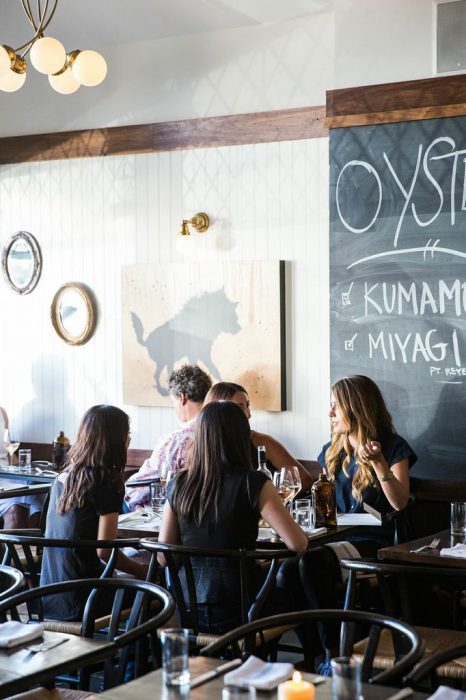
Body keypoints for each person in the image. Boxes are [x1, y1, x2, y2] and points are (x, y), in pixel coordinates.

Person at [287, 375, 417, 674]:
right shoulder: (332, 450)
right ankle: (318, 653)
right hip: (334, 539)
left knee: (309, 564)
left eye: (336, 406)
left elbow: (399, 503)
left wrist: (379, 462)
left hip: (375, 543)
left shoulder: (393, 447)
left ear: (355, 408)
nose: (330, 413)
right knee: (286, 571)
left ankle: (334, 656)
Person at [158, 400, 308, 633]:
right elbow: (298, 543)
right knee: (301, 594)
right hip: (243, 609)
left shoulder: (178, 483)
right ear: (241, 437)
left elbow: (163, 556)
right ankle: (312, 661)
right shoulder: (252, 482)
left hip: (187, 610)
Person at [41, 405, 148, 621]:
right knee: (156, 593)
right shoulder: (107, 483)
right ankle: (128, 652)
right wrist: (141, 571)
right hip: (86, 599)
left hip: (48, 595)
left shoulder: (62, 478)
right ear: (118, 439)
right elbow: (105, 552)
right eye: (127, 433)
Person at [124, 364, 212, 512]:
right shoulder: (217, 430)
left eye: (173, 401)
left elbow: (149, 483)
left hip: (172, 509)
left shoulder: (175, 440)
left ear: (182, 398)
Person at [203, 382, 312, 490]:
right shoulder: (199, 446)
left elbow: (304, 479)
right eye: (240, 407)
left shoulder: (261, 442)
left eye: (247, 406)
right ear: (218, 410)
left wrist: (272, 499)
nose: (248, 414)